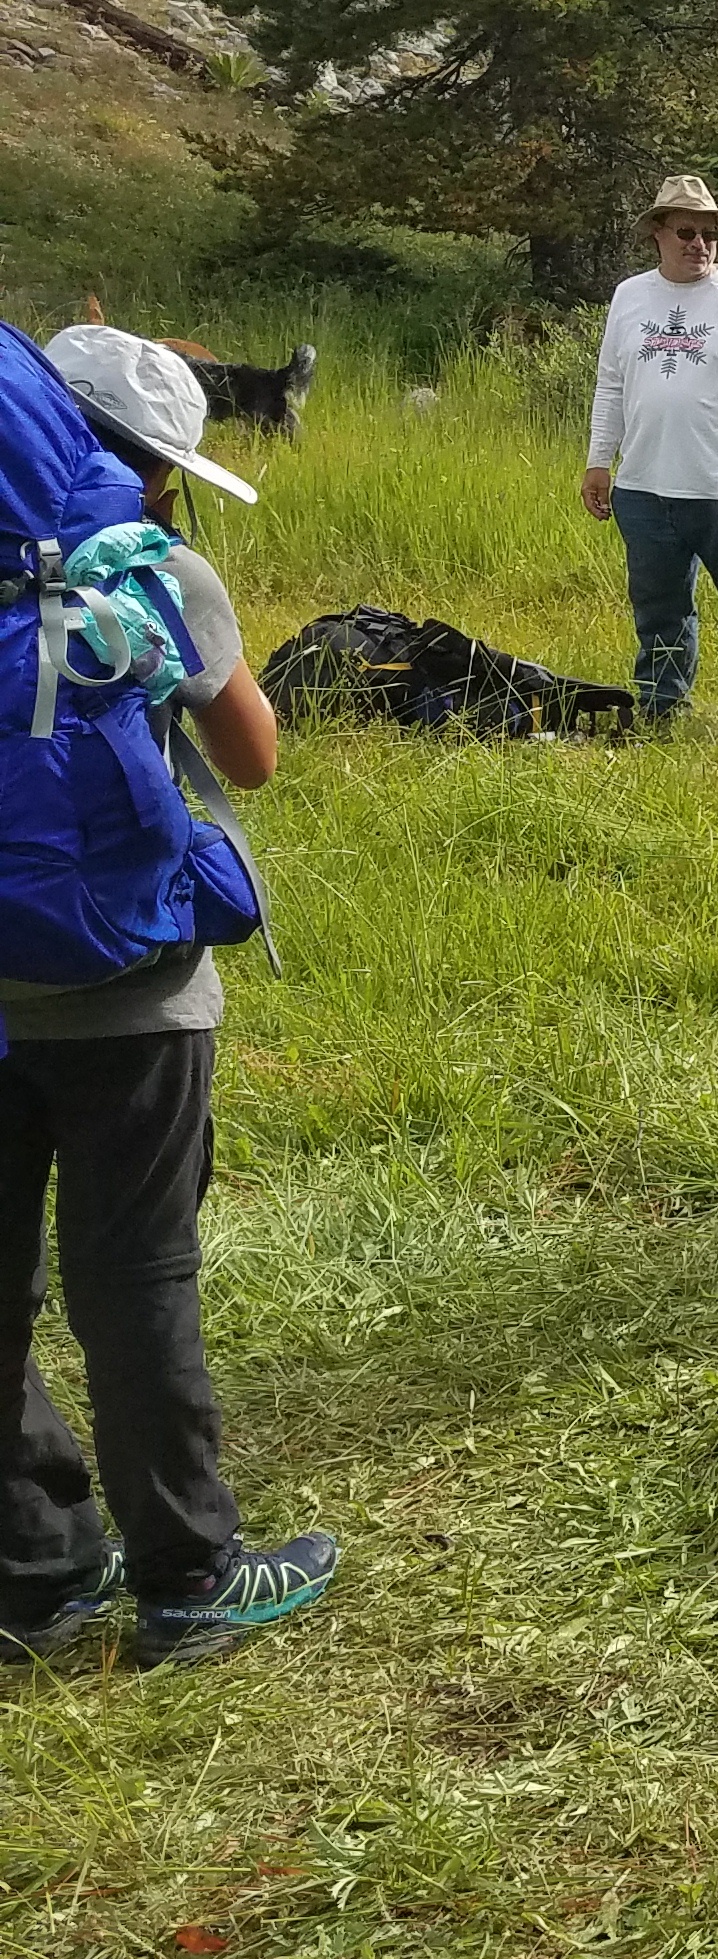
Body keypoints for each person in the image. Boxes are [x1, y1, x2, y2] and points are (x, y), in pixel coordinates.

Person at [0, 327, 336, 1669]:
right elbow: (250, 758)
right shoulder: (157, 571)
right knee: (135, 1277)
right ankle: (189, 1578)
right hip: (136, 995)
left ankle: (32, 1572)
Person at [583, 175, 718, 730]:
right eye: (686, 232)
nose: (699, 245)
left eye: (709, 234)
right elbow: (611, 383)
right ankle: (660, 711)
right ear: (657, 233)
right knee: (658, 609)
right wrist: (598, 460)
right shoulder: (630, 297)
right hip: (644, 489)